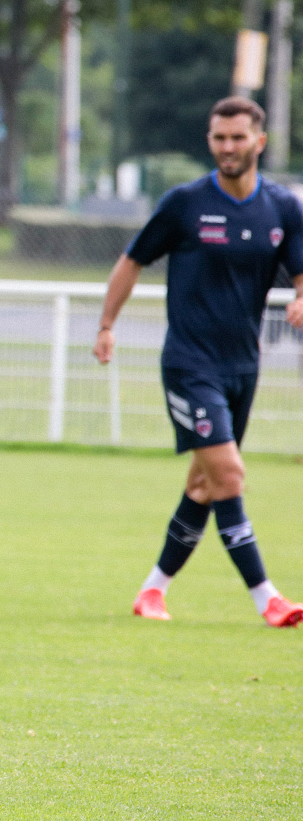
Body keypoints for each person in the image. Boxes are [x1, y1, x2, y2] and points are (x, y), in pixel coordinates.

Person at [94, 96, 303, 626]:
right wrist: (105, 326)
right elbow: (132, 260)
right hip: (190, 366)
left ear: (259, 140)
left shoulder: (282, 208)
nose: (227, 147)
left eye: (237, 137)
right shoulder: (185, 203)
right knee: (229, 476)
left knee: (204, 485)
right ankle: (268, 598)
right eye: (218, 138)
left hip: (243, 366)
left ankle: (152, 591)